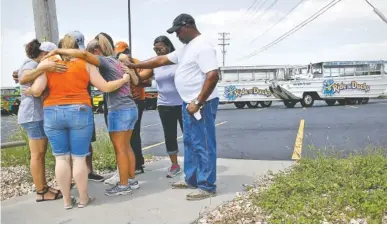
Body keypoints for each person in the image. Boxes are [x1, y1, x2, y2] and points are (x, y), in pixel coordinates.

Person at [26, 34, 134, 208]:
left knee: (60, 158)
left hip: (52, 112)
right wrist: (123, 80)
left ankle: (67, 201)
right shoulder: (86, 63)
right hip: (80, 111)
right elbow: (105, 87)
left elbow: (37, 90)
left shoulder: (49, 63)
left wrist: (29, 91)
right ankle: (84, 199)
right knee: (78, 159)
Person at [124, 13, 220, 201]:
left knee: (204, 144)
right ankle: (192, 179)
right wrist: (134, 65)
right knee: (190, 143)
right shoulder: (187, 48)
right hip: (188, 103)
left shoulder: (203, 47)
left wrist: (198, 101)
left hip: (201, 104)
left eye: (177, 32)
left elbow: (213, 75)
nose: (176, 36)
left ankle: (207, 186)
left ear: (186, 26)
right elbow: (160, 61)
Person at [118, 36, 183, 178]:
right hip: (165, 105)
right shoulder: (155, 64)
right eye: (155, 49)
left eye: (160, 48)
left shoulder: (179, 60)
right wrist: (129, 66)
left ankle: (193, 163)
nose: (158, 51)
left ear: (168, 46)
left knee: (189, 134)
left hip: (182, 103)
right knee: (169, 135)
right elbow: (140, 78)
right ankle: (174, 165)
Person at [16, 39, 67, 202]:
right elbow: (23, 79)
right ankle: (41, 191)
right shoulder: (31, 64)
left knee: (40, 153)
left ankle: (44, 187)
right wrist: (44, 67)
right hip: (33, 114)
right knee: (37, 154)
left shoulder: (32, 64)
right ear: (45, 54)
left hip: (35, 114)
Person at [67, 30, 105, 182]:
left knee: (88, 141)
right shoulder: (59, 59)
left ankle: (89, 171)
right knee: (67, 144)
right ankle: (70, 177)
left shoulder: (86, 61)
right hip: (66, 107)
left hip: (84, 106)